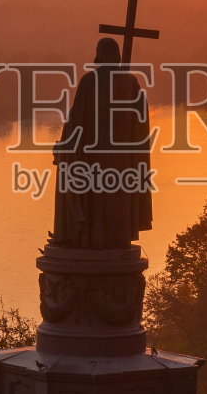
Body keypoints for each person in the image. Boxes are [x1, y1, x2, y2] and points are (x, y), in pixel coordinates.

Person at [50, 37, 154, 248]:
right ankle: (116, 237)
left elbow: (77, 120)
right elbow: (140, 122)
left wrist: (64, 146)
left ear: (99, 54)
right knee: (116, 196)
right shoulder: (131, 82)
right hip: (122, 159)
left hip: (93, 157)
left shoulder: (89, 81)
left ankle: (88, 237)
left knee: (93, 197)